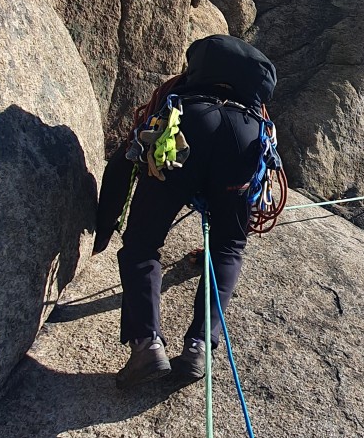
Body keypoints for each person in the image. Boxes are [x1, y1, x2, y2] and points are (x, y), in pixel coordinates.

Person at [94, 34, 278, 388]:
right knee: (227, 247)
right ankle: (198, 347)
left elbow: (125, 159)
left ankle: (147, 345)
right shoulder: (258, 118)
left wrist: (103, 228)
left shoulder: (176, 97)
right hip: (243, 138)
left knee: (142, 245)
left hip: (187, 125)